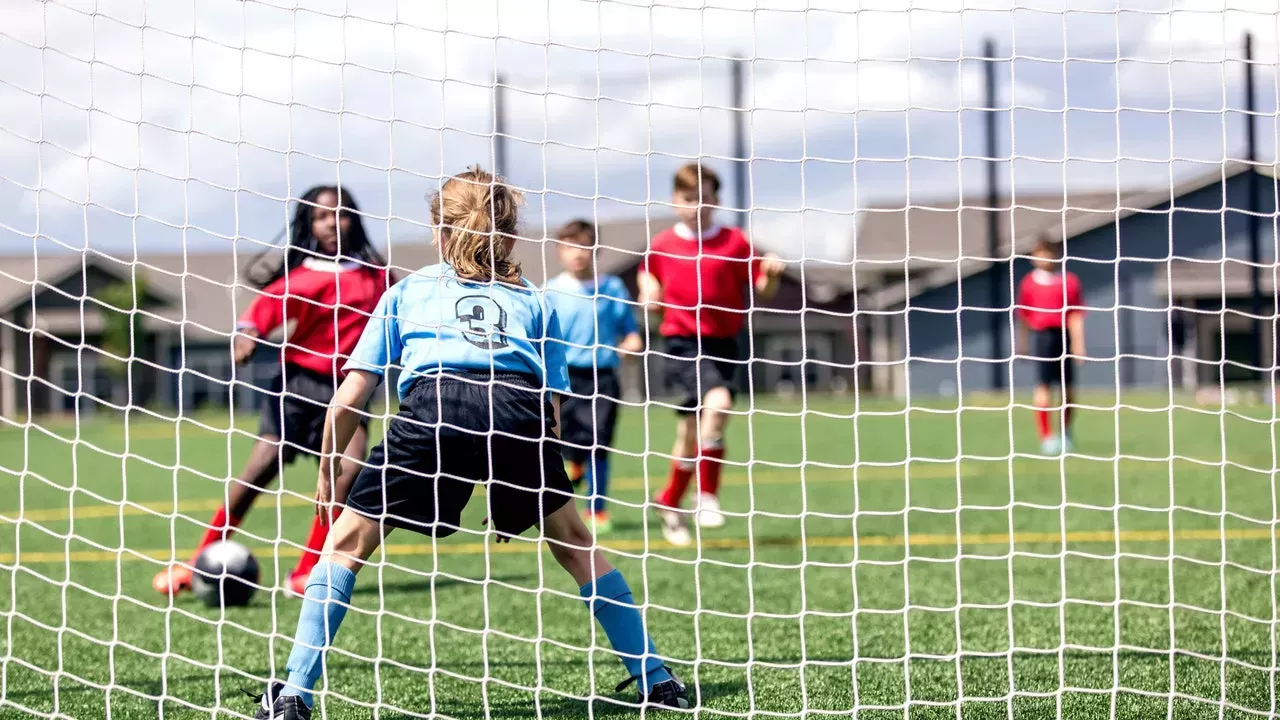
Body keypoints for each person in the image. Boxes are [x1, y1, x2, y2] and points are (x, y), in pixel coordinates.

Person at [249, 167, 690, 720]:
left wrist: (328, 473)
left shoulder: (406, 291)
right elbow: (551, 408)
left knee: (344, 547)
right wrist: (527, 483)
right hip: (517, 415)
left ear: (438, 233)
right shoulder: (534, 299)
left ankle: (293, 694)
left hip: (435, 410)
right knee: (578, 545)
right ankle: (657, 679)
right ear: (509, 237)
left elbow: (349, 398)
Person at [152, 186, 390, 598]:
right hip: (296, 387)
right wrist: (247, 335)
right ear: (308, 225)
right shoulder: (298, 278)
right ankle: (197, 563)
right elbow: (262, 312)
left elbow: (406, 308)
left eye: (341, 214)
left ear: (355, 219)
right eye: (321, 216)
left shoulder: (378, 278)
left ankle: (307, 572)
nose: (332, 222)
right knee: (258, 470)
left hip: (349, 392)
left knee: (347, 471)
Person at [638, 162, 785, 546]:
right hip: (684, 343)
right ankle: (706, 497)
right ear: (675, 201)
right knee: (717, 405)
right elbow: (647, 275)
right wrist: (650, 294)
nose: (697, 206)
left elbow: (762, 288)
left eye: (705, 198)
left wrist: (770, 275)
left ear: (717, 201)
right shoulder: (663, 243)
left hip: (724, 345)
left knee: (691, 433)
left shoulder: (736, 241)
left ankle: (669, 501)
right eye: (689, 198)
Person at [543, 220, 643, 535]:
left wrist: (632, 343)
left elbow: (630, 332)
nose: (578, 253)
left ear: (594, 250)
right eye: (571, 246)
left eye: (584, 245)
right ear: (560, 251)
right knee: (562, 440)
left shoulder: (612, 287)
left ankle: (597, 510)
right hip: (562, 378)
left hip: (602, 376)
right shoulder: (550, 291)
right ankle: (572, 466)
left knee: (598, 443)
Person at [1016, 239, 1086, 455]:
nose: (1044, 257)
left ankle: (1065, 433)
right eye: (1039, 253)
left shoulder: (1069, 281)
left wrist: (1079, 344)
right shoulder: (1028, 283)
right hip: (1042, 337)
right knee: (1043, 388)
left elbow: (1076, 315)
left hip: (1063, 336)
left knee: (1069, 391)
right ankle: (1046, 436)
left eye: (1048, 252)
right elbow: (1023, 316)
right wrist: (1023, 345)